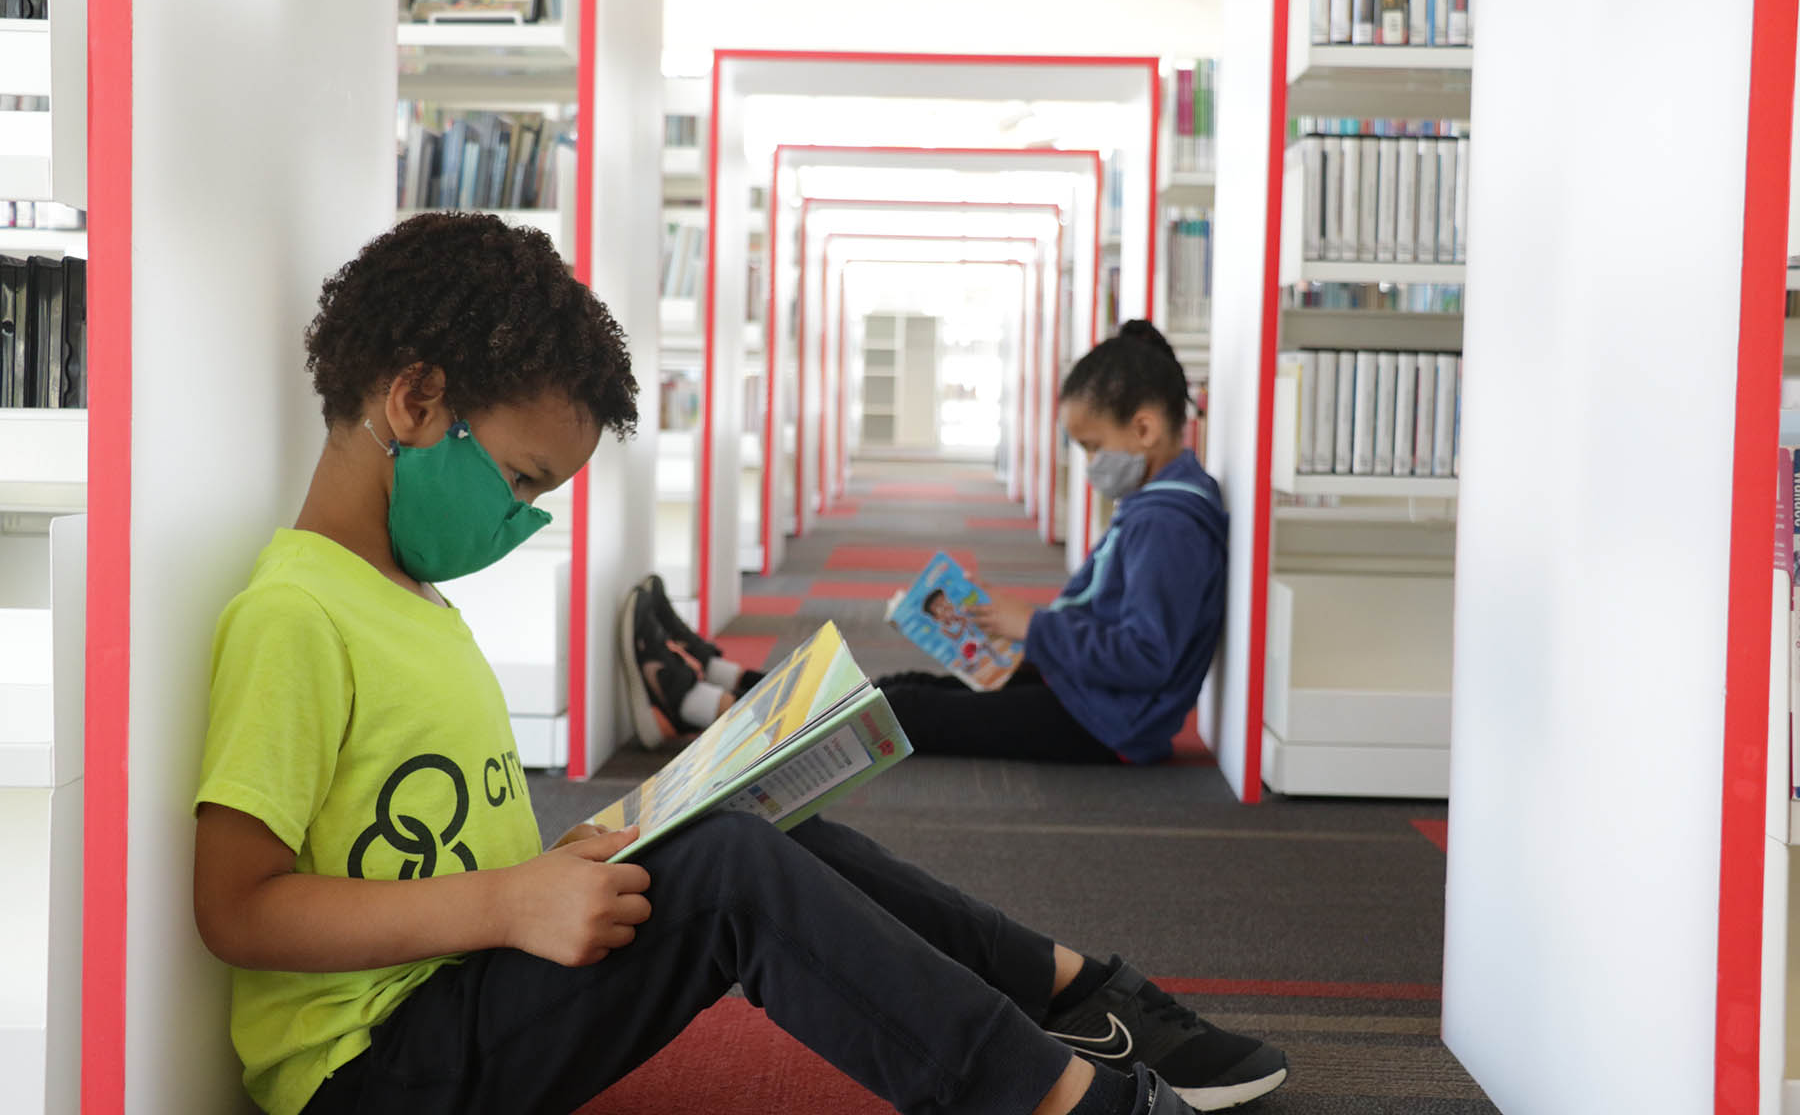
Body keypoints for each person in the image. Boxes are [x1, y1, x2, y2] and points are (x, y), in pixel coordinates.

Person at [190, 214, 1288, 1115]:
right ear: (416, 402)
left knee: (748, 823)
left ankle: (1071, 993)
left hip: (465, 988)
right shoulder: (295, 613)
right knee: (725, 875)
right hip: (373, 1072)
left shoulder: (412, 600)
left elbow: (428, 849)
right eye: (523, 482)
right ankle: (1049, 1101)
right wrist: (506, 904)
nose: (521, 521)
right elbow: (238, 910)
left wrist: (569, 856)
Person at [634, 321, 1225, 767]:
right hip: (1086, 693)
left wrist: (1035, 628)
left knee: (904, 711)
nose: (1092, 465)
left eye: (1094, 446)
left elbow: (1147, 658)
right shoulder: (1161, 504)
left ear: (1144, 429)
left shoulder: (1168, 524)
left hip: (1107, 724)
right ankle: (727, 674)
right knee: (899, 689)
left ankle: (701, 710)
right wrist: (1020, 626)